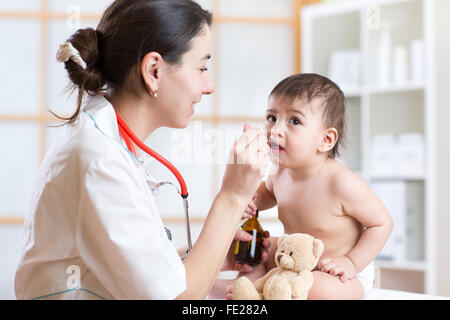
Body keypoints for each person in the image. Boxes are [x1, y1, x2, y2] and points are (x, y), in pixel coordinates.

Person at [14, 0, 271, 300]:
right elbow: (177, 300)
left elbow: (131, 267)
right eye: (202, 67)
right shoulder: (100, 160)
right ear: (153, 71)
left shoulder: (105, 139)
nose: (209, 85)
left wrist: (210, 254)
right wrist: (232, 197)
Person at [227, 73, 393, 300]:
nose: (275, 130)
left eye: (294, 121)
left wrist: (351, 262)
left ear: (326, 140)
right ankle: (251, 292)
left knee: (316, 289)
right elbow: (265, 194)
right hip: (292, 261)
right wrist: (250, 200)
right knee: (259, 251)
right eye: (272, 118)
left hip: (336, 273)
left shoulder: (340, 182)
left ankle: (269, 290)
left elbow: (382, 223)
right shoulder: (279, 173)